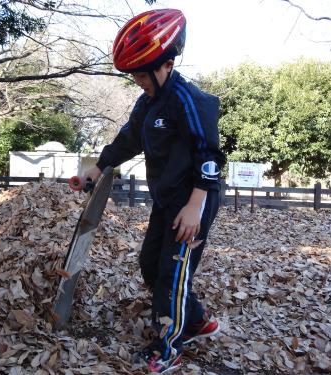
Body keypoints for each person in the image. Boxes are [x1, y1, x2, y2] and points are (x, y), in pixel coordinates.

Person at [84, 8, 226, 374]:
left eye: (143, 74)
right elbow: (129, 138)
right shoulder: (148, 102)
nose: (138, 81)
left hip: (194, 197)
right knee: (151, 264)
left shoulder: (188, 100)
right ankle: (197, 320)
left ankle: (168, 346)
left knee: (173, 272)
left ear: (167, 63)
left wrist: (195, 206)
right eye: (134, 76)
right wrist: (98, 167)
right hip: (166, 198)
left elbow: (209, 157)